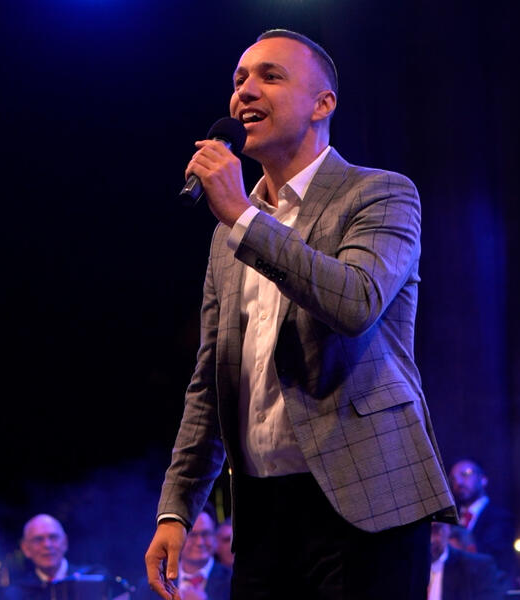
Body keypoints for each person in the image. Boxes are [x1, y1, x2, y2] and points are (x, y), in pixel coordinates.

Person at [144, 28, 456, 600]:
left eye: (270, 76)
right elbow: (211, 381)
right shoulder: (229, 235)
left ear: (322, 103)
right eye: (239, 79)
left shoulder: (379, 194)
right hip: (263, 514)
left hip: (367, 502)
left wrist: (241, 216)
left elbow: (355, 302)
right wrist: (176, 510)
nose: (244, 91)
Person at [2, 514, 130, 600]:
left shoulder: (95, 576)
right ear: (26, 548)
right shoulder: (16, 593)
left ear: (65, 542)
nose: (47, 545)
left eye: (53, 537)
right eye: (38, 539)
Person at [137, 506, 231, 600]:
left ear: (215, 536)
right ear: (176, 538)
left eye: (205, 534)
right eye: (192, 535)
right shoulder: (152, 585)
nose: (200, 542)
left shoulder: (232, 581)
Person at [448, 459, 515, 583]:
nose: (458, 482)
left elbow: (493, 559)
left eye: (465, 474)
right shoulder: (448, 520)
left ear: (483, 479)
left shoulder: (500, 518)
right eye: (453, 479)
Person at [429, 522, 504, 600]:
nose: (430, 539)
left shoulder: (479, 567)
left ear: (448, 528)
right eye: (422, 530)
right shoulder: (419, 567)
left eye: (435, 529)